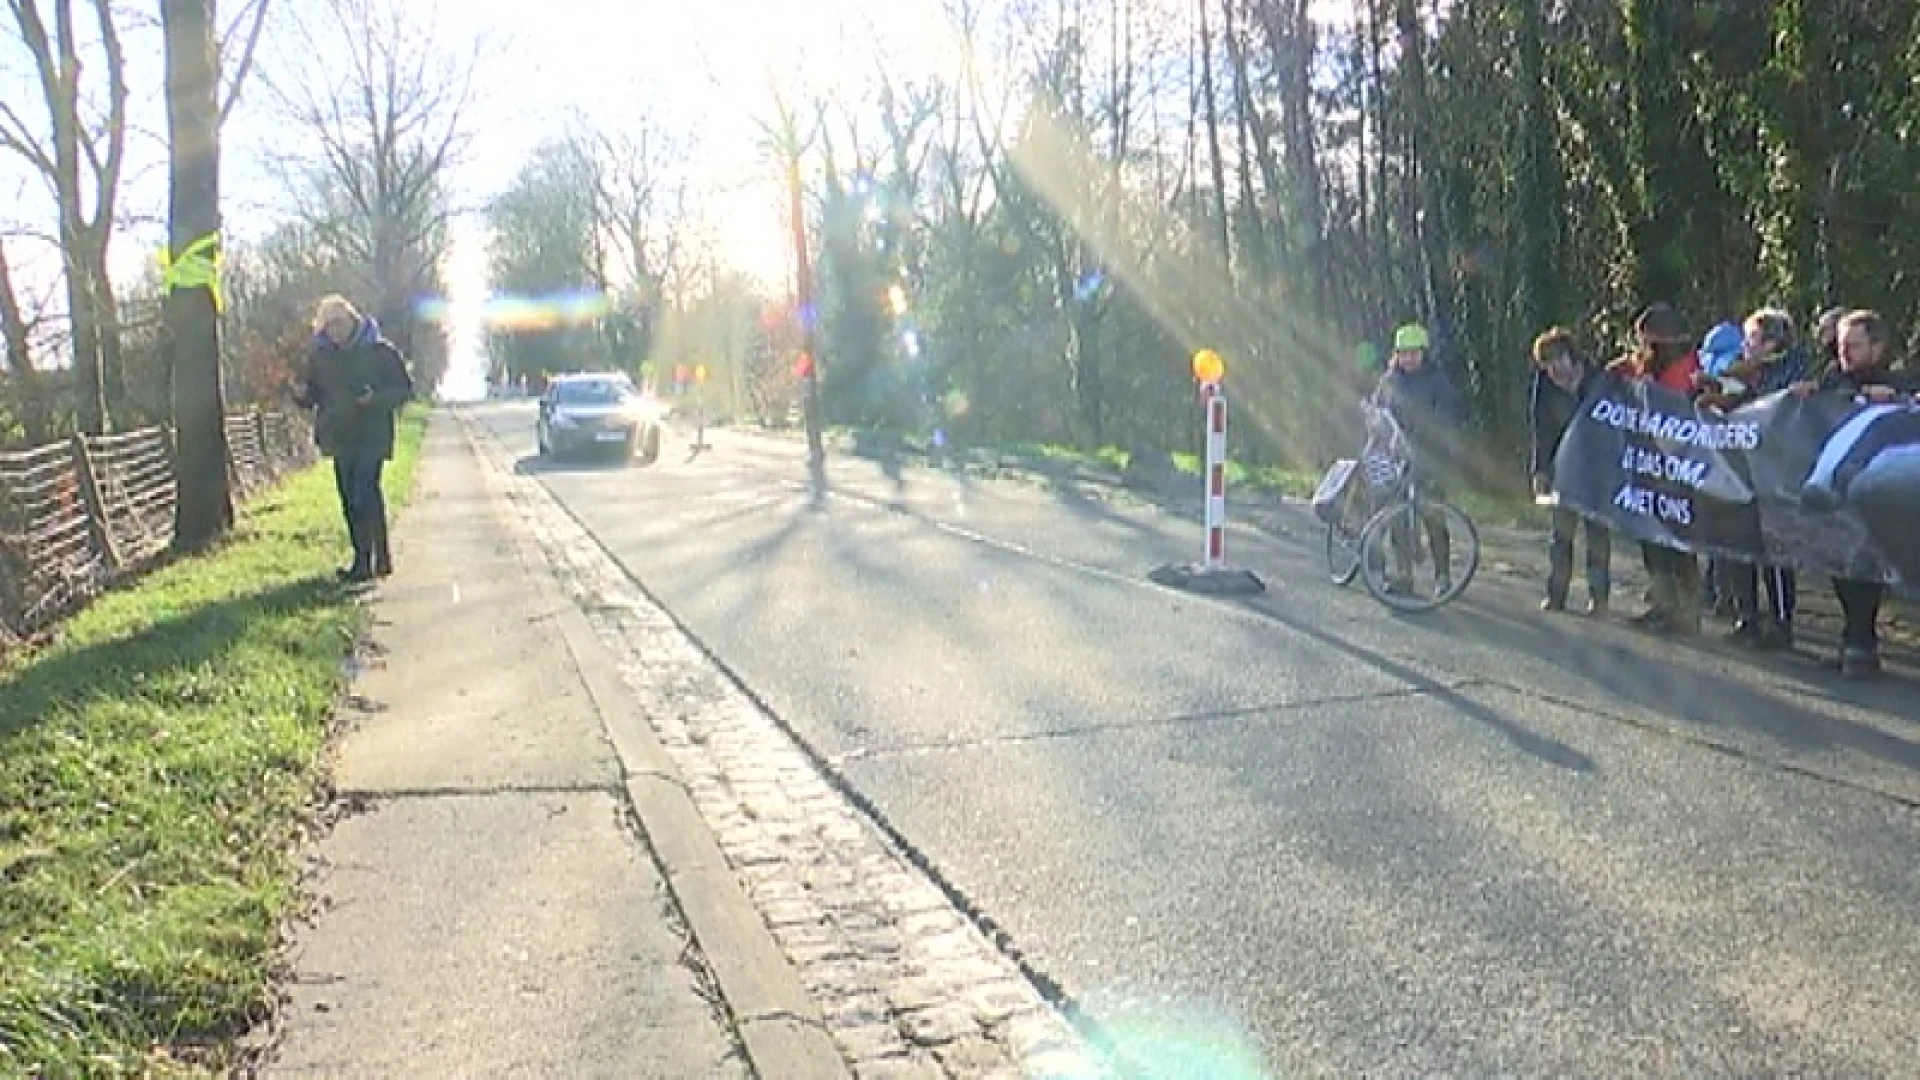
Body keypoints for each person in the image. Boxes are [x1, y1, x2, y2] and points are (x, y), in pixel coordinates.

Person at [1790, 309, 1916, 677]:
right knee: (1841, 564)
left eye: (1853, 346)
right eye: (1841, 345)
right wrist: (1805, 395)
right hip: (1836, 501)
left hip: (1877, 495)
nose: (1844, 353)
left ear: (1877, 348)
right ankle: (1854, 639)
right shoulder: (1832, 379)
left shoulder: (1898, 381)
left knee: (1868, 564)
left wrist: (1894, 397)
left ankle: (1862, 642)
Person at [1704, 308, 1812, 649]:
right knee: (1738, 544)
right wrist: (1714, 398)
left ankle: (1781, 623)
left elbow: (1771, 409)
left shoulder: (1790, 373)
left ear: (1770, 343)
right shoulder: (1740, 372)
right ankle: (1746, 616)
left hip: (1777, 472)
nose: (1745, 345)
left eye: (1751, 338)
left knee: (1775, 553)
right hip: (1740, 471)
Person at [295, 295, 414, 582]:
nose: (335, 330)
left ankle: (370, 561)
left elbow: (404, 390)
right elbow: (313, 395)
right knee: (349, 497)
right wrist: (300, 395)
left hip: (372, 433)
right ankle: (371, 557)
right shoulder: (320, 357)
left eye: (339, 322)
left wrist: (375, 399)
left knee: (364, 490)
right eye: (328, 325)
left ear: (353, 319)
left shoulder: (379, 350)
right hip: (340, 436)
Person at [1607, 303, 1703, 633]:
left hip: (1676, 464)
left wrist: (1646, 383)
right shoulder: (1648, 363)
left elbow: (1671, 400)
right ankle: (1663, 604)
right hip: (1648, 462)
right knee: (1652, 538)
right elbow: (1619, 375)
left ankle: (1685, 610)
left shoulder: (1685, 366)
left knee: (1674, 538)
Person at [1371, 322, 1463, 597]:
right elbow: (1378, 409)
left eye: (1414, 353)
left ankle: (1443, 575)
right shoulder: (1388, 380)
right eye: (1403, 353)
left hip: (1430, 456)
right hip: (1397, 455)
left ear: (1424, 353)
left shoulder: (1437, 381)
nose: (1408, 358)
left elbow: (1449, 415)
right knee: (1398, 516)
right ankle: (1403, 575)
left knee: (1432, 515)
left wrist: (1430, 431)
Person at [1528, 326, 1610, 614]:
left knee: (1597, 536)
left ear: (1571, 357)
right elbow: (1541, 429)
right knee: (1561, 535)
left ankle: (1599, 598)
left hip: (1596, 466)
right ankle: (1556, 594)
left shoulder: (1597, 379)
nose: (1554, 370)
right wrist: (1539, 470)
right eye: (1547, 365)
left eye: (1558, 360)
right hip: (1562, 465)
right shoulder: (1544, 384)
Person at [1693, 320, 1746, 618]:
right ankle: (1714, 590)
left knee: (1729, 535)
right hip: (1713, 463)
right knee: (1714, 533)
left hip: (1737, 467)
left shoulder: (1741, 377)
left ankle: (1726, 595)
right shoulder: (1709, 379)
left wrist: (1720, 399)